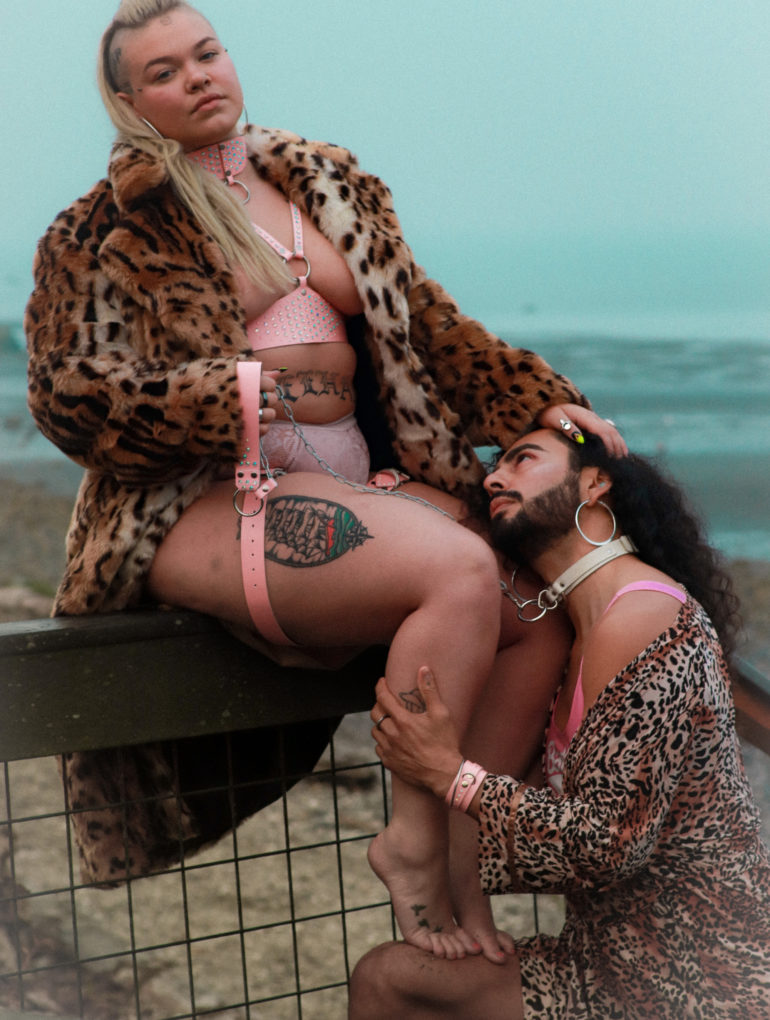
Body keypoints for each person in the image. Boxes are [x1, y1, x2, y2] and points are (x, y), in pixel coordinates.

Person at [24, 0, 625, 955]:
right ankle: (411, 844)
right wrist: (224, 394)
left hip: (354, 474)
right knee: (459, 571)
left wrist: (542, 404)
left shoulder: (327, 183)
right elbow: (66, 396)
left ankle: (463, 851)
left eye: (207, 53)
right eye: (165, 72)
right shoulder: (102, 230)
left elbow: (429, 326)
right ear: (131, 104)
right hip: (201, 502)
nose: (198, 76)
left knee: (540, 609)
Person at [353, 428, 770, 1017]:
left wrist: (450, 774)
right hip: (606, 968)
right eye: (494, 468)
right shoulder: (576, 636)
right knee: (388, 980)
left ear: (595, 483)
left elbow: (611, 845)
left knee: (392, 981)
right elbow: (552, 819)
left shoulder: (646, 615)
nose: (496, 478)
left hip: (707, 986)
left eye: (523, 459)